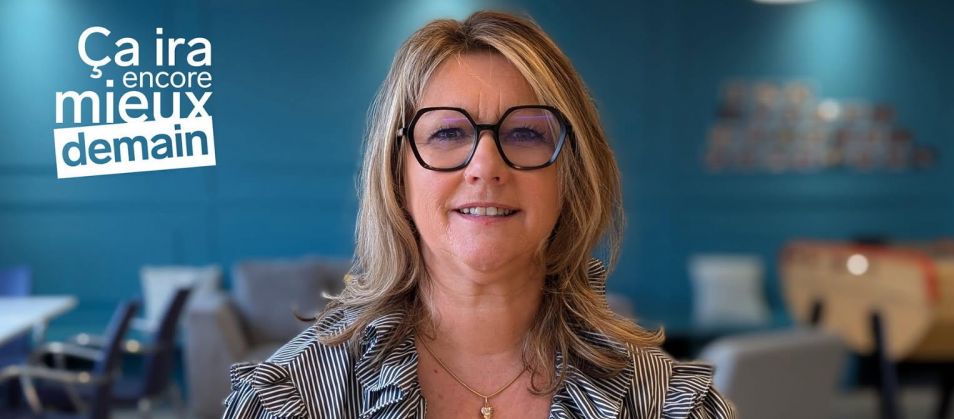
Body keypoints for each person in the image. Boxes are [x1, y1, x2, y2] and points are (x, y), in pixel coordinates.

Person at [223, 11, 735, 419]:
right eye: (448, 133)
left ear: (571, 174)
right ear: (398, 173)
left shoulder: (672, 406)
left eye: (526, 133)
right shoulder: (286, 403)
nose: (485, 166)